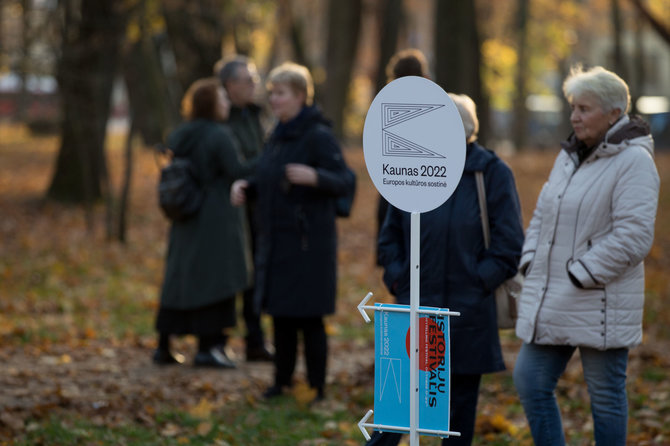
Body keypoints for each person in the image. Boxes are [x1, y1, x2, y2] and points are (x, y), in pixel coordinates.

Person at [513, 65, 660, 445]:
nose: (574, 116)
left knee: (606, 399)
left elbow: (634, 236)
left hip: (600, 302)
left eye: (584, 108)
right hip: (555, 296)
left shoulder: (634, 162)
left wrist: (579, 273)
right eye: (573, 108)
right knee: (529, 380)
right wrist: (529, 260)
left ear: (614, 113)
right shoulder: (570, 156)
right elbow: (543, 212)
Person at [369, 94, 525, 445]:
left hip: (466, 313)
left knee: (456, 420)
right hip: (414, 309)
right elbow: (389, 236)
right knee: (394, 413)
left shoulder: (492, 173)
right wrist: (399, 278)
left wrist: (477, 281)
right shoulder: (411, 169)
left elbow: (510, 244)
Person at [230, 62, 353, 400]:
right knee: (281, 317)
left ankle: (318, 386)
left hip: (309, 245)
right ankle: (280, 381)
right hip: (277, 242)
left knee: (310, 319)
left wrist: (316, 177)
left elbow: (345, 180)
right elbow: (268, 177)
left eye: (280, 94)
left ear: (300, 96)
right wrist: (247, 186)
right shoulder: (276, 136)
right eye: (271, 94)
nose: (273, 100)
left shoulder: (318, 136)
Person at [153, 77, 257, 368]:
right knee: (217, 280)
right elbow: (237, 170)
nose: (226, 104)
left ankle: (163, 345)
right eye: (222, 99)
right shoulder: (218, 135)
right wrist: (265, 158)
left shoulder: (180, 134)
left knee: (180, 276)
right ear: (210, 105)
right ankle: (208, 347)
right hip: (216, 216)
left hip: (185, 213)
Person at [215, 55, 273, 362]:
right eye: (247, 80)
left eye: (254, 79)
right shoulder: (220, 119)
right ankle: (217, 341)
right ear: (229, 85)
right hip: (229, 208)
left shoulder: (255, 114)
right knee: (229, 273)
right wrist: (267, 163)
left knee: (255, 275)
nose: (254, 85)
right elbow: (230, 166)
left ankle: (255, 340)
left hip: (257, 206)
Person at [375, 48, 430, 265]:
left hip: (392, 189)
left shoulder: (386, 108)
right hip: (425, 188)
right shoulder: (432, 107)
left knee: (397, 255)